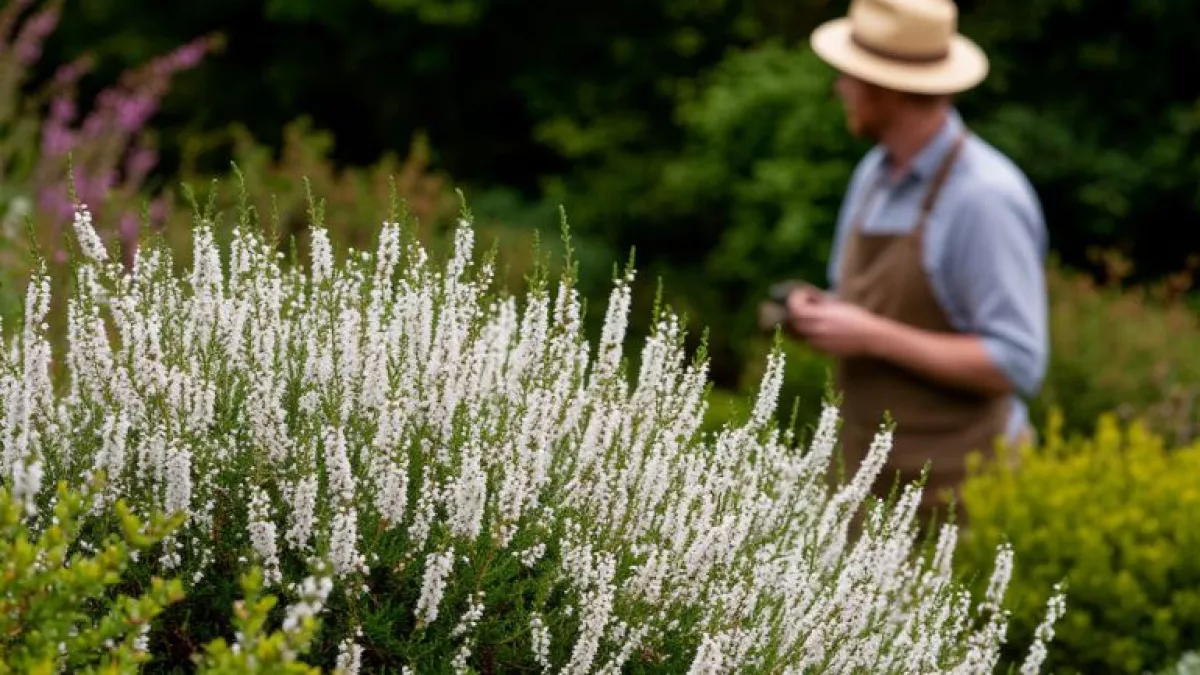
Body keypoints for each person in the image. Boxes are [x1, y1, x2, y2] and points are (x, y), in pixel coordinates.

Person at [784, 0, 1048, 520]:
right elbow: (866, 306)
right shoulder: (873, 176)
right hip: (865, 492)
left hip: (962, 503)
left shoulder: (984, 197)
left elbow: (1016, 361)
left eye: (851, 76)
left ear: (887, 88)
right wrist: (822, 314)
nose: (840, 87)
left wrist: (872, 336)